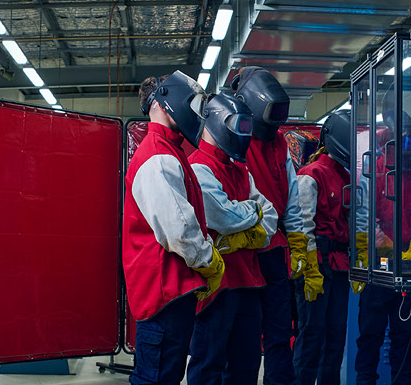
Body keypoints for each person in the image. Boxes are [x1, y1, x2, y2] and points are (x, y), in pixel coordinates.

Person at [123, 72, 225, 385]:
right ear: (167, 102)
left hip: (171, 290)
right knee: (156, 378)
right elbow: (180, 230)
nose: (195, 112)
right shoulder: (158, 156)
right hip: (164, 290)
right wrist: (208, 261)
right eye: (192, 102)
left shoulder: (169, 150)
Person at [185, 92, 277, 385]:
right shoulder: (198, 166)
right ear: (217, 121)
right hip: (217, 286)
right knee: (208, 365)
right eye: (239, 124)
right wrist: (254, 214)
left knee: (247, 366)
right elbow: (223, 217)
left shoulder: (240, 168)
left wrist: (247, 225)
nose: (244, 132)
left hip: (249, 282)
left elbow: (271, 216)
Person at [230, 67, 300, 385]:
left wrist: (300, 243)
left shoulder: (282, 143)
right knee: (241, 340)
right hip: (243, 253)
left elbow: (293, 198)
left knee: (279, 336)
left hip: (275, 253)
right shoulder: (231, 134)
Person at [355, 116, 411, 385]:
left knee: (404, 339)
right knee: (370, 338)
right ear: (391, 143)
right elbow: (364, 218)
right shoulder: (373, 174)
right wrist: (384, 246)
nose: (409, 149)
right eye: (405, 142)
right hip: (376, 267)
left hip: (408, 269)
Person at [285, 109, 356, 385]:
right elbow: (303, 225)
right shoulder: (311, 174)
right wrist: (310, 268)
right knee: (312, 333)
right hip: (316, 267)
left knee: (336, 335)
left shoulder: (347, 177)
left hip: (339, 267)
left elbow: (354, 220)